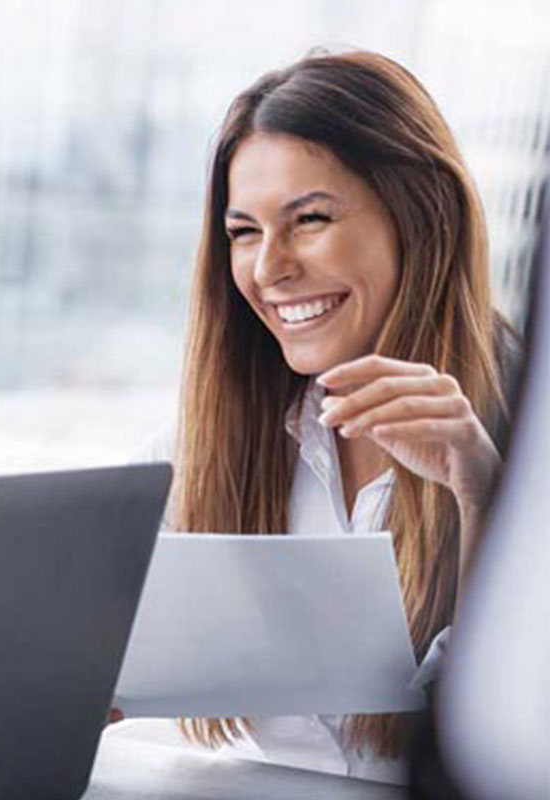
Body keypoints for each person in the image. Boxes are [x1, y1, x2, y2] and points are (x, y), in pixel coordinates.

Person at [111, 50, 516, 784]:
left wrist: (485, 496)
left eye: (311, 220)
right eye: (244, 232)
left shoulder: (522, 436)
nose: (269, 269)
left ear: (420, 216)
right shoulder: (205, 449)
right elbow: (86, 663)